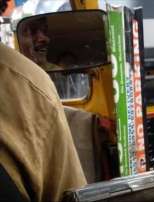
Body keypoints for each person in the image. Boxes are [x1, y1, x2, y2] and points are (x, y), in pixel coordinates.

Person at [0, 1, 87, 201]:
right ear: (16, 39)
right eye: (31, 32)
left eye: (44, 31)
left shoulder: (58, 75)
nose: (42, 38)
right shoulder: (31, 85)